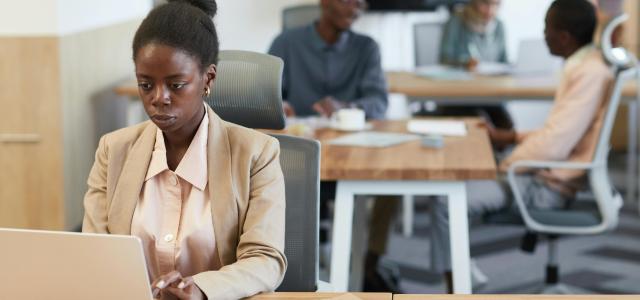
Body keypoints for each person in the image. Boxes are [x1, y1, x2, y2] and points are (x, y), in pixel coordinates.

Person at [82, 1, 287, 299]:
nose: (158, 98)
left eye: (176, 85)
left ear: (208, 79)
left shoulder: (257, 154)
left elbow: (265, 259)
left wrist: (203, 289)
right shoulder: (113, 151)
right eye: (145, 85)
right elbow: (95, 253)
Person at [430, 0, 611, 293]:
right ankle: (461, 275)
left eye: (546, 30)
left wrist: (503, 164)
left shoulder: (587, 74)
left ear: (564, 37)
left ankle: (458, 286)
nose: (543, 36)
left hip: (544, 187)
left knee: (444, 201)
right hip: (546, 176)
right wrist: (509, 138)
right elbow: (560, 134)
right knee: (459, 183)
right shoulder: (590, 65)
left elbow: (553, 145)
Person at [268, 0, 398, 292]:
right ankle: (287, 272)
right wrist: (280, 105)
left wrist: (346, 106)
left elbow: (379, 102)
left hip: (354, 155)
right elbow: (268, 94)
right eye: (348, 1)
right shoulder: (287, 43)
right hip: (300, 154)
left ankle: (369, 264)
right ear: (325, 3)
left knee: (393, 183)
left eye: (361, 3)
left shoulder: (367, 48)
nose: (356, 9)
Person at [437, 0, 513, 130]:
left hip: (489, 94)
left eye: (495, 5)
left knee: (506, 125)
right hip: (459, 95)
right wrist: (465, 62)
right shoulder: (456, 21)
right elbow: (445, 59)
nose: (490, 10)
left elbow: (504, 62)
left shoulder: (499, 26)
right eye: (485, 4)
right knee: (481, 123)